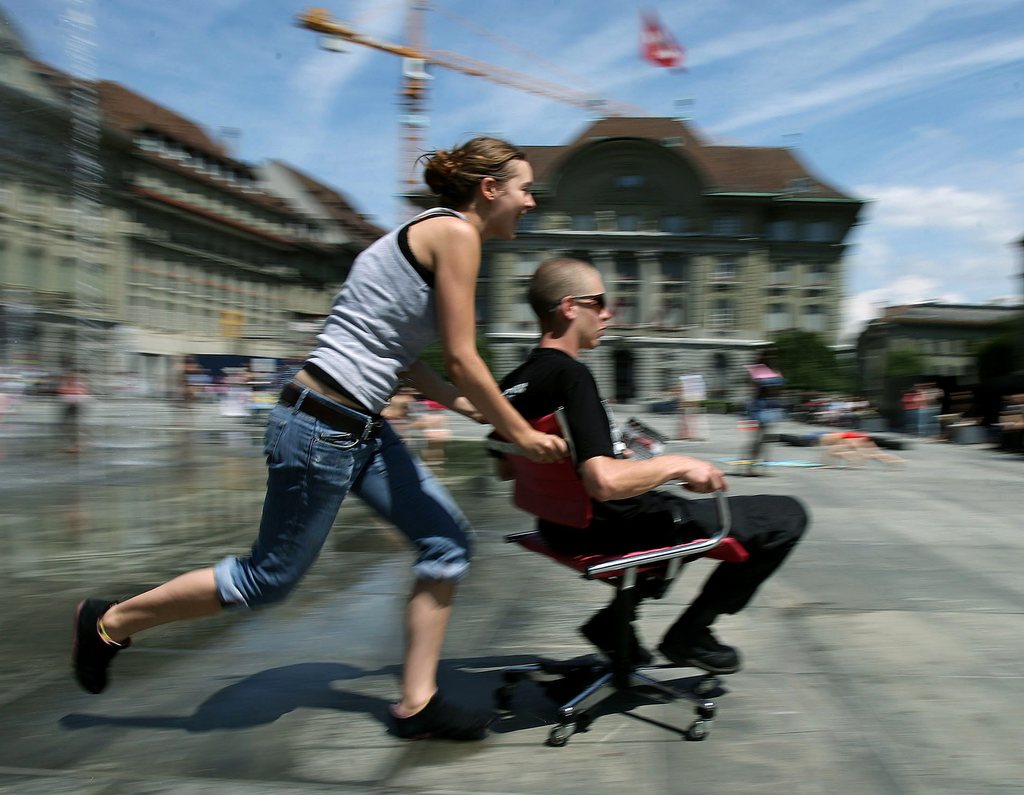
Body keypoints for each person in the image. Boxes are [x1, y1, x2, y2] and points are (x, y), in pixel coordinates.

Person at [71, 136, 567, 741]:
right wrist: (517, 432)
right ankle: (109, 621)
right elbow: (463, 358)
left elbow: (410, 363)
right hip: (322, 426)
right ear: (490, 190)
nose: (531, 201)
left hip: (356, 427)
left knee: (446, 542)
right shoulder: (457, 235)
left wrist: (473, 409)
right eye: (524, 188)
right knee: (267, 579)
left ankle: (418, 702)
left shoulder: (425, 236)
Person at [492, 258, 807, 674]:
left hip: (559, 529)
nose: (608, 313)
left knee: (662, 508)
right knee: (787, 516)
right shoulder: (572, 376)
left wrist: (605, 457)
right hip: (612, 528)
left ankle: (612, 624)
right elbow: (603, 482)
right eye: (600, 302)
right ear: (570, 307)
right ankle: (691, 633)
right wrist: (678, 464)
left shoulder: (511, 384)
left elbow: (507, 469)